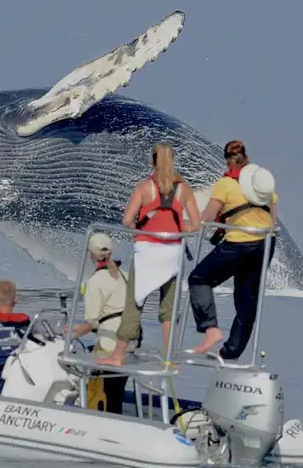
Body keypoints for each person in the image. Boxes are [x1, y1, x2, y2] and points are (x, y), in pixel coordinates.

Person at [98, 142, 201, 367]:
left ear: (153, 161)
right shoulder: (184, 189)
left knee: (134, 304)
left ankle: (118, 355)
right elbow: (196, 224)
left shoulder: (144, 188)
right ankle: (169, 358)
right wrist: (177, 228)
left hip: (146, 254)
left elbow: (127, 220)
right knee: (168, 309)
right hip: (171, 254)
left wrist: (143, 224)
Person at [188, 140, 278, 359]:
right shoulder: (263, 184)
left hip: (238, 243)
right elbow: (273, 221)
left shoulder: (225, 184)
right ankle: (231, 353)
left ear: (228, 161)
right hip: (265, 244)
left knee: (199, 279)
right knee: (247, 299)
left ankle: (210, 328)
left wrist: (190, 224)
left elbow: (208, 217)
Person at [64, 232, 129, 413]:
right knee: (116, 392)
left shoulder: (95, 281)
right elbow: (114, 311)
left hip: (110, 343)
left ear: (90, 254)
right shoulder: (125, 275)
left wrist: (70, 335)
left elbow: (90, 323)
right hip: (130, 341)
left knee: (107, 393)